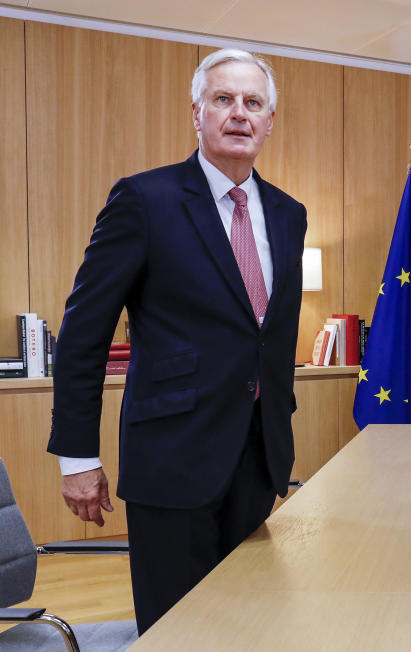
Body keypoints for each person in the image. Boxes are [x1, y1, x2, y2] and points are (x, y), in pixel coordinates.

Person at [47, 48, 307, 634]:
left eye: (253, 102)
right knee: (176, 631)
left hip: (259, 459)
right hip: (171, 460)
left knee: (249, 625)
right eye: (224, 100)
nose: (239, 113)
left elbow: (268, 338)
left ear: (270, 120)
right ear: (197, 113)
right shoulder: (144, 200)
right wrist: (78, 457)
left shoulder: (290, 215)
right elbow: (83, 334)